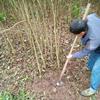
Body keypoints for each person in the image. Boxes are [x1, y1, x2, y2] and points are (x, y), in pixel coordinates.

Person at [67, 3, 100, 97]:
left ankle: (93, 89)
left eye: (77, 34)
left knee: (97, 69)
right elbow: (91, 15)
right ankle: (91, 69)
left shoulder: (94, 40)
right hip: (97, 47)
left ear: (82, 32)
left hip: (98, 42)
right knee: (91, 63)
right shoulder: (89, 17)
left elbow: (85, 52)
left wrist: (72, 55)